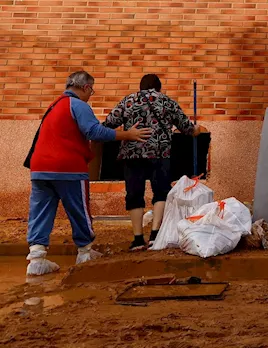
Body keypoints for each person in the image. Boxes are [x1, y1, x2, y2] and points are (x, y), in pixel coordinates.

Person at [25, 71, 151, 276]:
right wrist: (127, 134)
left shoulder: (54, 105)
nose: (91, 94)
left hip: (40, 168)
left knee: (40, 211)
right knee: (78, 209)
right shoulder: (78, 105)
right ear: (85, 87)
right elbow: (94, 132)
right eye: (91, 90)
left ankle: (37, 259)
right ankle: (84, 252)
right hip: (67, 167)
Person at [102, 74, 208, 250]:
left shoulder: (128, 100)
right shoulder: (167, 102)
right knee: (161, 192)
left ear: (140, 86)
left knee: (134, 194)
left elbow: (108, 124)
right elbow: (187, 128)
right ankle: (155, 235)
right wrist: (196, 130)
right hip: (160, 154)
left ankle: (137, 238)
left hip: (132, 155)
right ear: (159, 87)